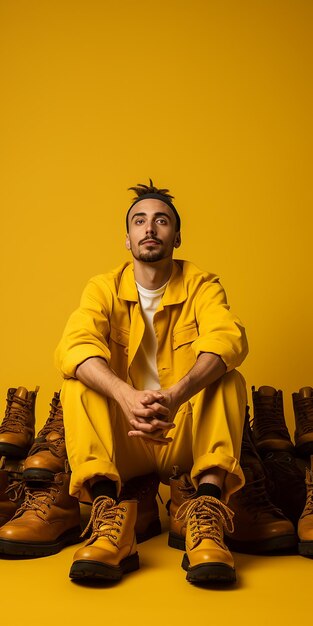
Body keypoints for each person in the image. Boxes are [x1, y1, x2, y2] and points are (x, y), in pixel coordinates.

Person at [0, 179, 247, 583]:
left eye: (161, 220)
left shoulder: (202, 285)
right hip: (123, 436)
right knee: (78, 382)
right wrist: (126, 395)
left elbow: (229, 337)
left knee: (227, 377)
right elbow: (73, 346)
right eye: (139, 221)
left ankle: (206, 510)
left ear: (176, 235)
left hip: (181, 433)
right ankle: (108, 515)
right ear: (127, 238)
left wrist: (175, 396)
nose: (149, 229)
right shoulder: (102, 287)